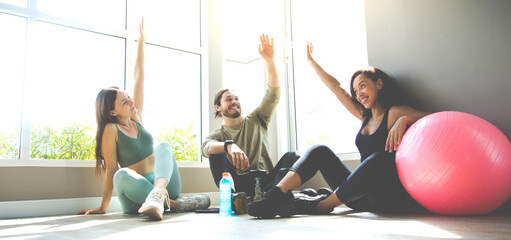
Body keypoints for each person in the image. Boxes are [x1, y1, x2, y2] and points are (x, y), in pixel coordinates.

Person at [247, 42, 430, 218]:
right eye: (356, 91)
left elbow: (433, 117)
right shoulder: (364, 117)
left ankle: (321, 205)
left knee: (380, 159)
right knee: (319, 150)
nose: (359, 94)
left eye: (363, 86)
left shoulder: (394, 113)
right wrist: (311, 62)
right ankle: (277, 193)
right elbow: (336, 88)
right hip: (359, 195)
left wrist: (404, 120)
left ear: (379, 84)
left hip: (386, 197)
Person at [77, 19, 209, 220]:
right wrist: (103, 207)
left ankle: (162, 198)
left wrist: (141, 43)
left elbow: (139, 77)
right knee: (120, 174)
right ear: (112, 112)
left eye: (129, 96)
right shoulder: (111, 129)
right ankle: (170, 203)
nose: (130, 101)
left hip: (162, 183)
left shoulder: (136, 116)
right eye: (124, 101)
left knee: (164, 146)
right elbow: (112, 168)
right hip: (136, 193)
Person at [201, 34, 300, 214]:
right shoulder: (219, 135)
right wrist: (229, 146)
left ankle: (273, 195)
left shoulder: (257, 119)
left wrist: (269, 60)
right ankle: (233, 200)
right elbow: (205, 147)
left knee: (292, 156)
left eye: (236, 99)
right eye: (229, 99)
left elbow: (273, 93)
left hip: (267, 181)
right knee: (216, 154)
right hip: (239, 185)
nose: (234, 102)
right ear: (218, 107)